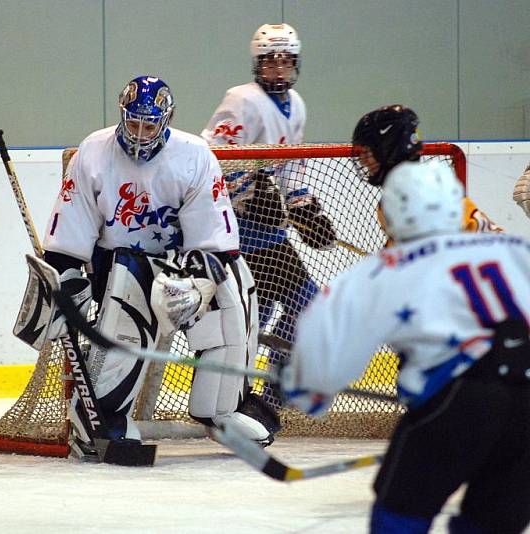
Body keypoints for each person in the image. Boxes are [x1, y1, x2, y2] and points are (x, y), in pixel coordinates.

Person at [280, 160, 530, 533]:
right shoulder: (516, 248)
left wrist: (303, 389)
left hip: (457, 402)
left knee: (399, 517)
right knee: (489, 523)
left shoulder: (384, 269)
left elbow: (322, 363)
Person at [35, 75, 280, 457]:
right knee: (126, 299)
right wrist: (65, 280)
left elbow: (215, 239)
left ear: (165, 120)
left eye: (149, 125)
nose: (139, 133)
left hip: (183, 264)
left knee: (235, 289)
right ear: (122, 115)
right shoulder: (93, 152)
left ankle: (222, 410)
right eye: (132, 123)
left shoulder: (195, 154)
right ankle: (100, 414)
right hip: (118, 262)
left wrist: (199, 285)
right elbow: (71, 226)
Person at [201, 23, 336, 410]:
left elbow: (292, 169)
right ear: (257, 64)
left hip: (269, 229)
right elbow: (212, 159)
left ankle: (276, 389)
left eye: (286, 61)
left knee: (306, 304)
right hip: (234, 228)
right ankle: (231, 394)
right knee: (248, 317)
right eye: (270, 62)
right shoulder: (241, 99)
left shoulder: (298, 104)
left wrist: (303, 208)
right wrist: (248, 189)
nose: (278, 70)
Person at [352, 104, 502, 241]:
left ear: (388, 150)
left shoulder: (426, 195)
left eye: (367, 152)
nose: (363, 161)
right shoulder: (397, 199)